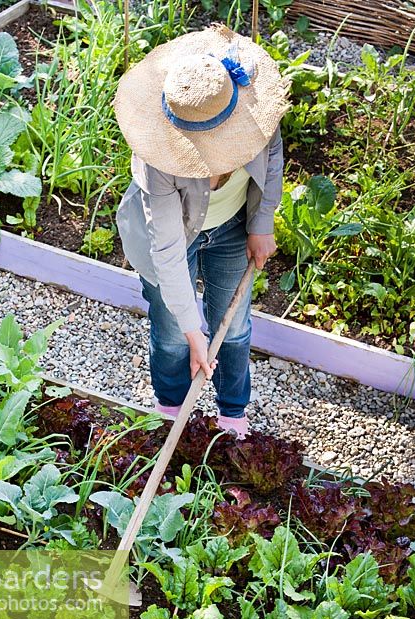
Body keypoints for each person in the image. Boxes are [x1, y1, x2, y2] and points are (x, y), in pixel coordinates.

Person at [113, 24, 290, 438]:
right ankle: (171, 407)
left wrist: (262, 223)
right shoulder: (159, 163)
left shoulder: (256, 118)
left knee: (235, 326)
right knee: (174, 334)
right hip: (171, 239)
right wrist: (196, 336)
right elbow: (169, 253)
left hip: (231, 229)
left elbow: (274, 159)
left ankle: (232, 413)